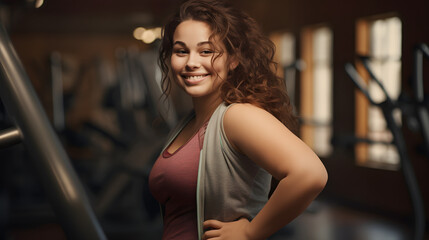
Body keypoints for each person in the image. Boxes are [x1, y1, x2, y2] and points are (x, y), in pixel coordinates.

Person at [148, 0, 328, 239]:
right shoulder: (190, 121)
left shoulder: (237, 116)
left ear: (233, 59)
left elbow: (310, 174)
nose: (191, 62)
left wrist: (250, 232)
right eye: (181, 51)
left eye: (206, 51)